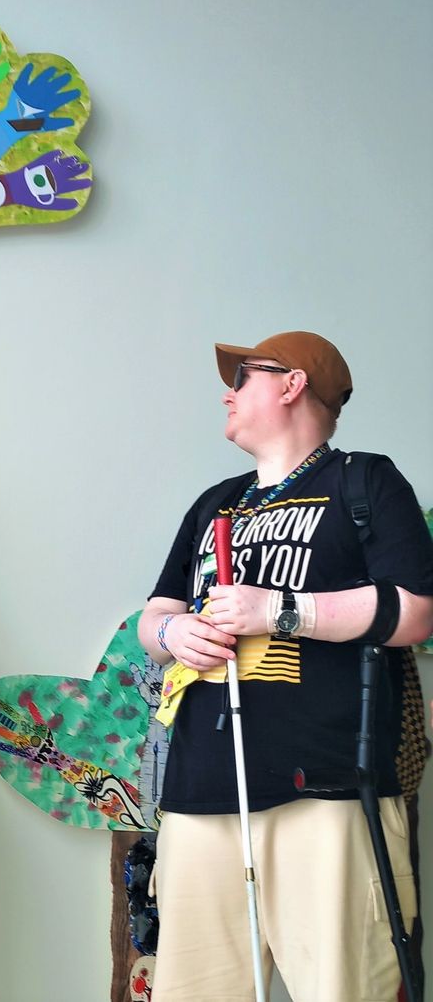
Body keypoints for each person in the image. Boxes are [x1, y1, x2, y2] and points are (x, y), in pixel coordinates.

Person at [138, 331, 433, 1002]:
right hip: (200, 792)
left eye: (242, 376)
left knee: (343, 987)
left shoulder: (366, 480)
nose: (227, 391)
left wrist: (278, 610)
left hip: (327, 791)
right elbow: (152, 618)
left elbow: (413, 611)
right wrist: (175, 630)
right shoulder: (216, 501)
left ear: (292, 383)